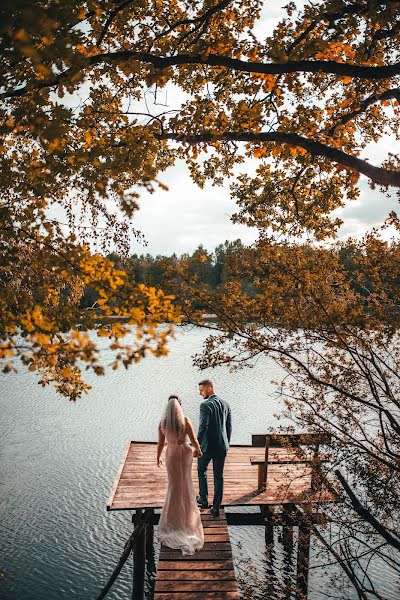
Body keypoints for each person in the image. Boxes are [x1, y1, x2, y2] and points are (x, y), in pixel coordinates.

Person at [157, 395, 204, 555]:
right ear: (179, 407)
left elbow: (160, 443)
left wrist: (157, 456)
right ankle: (188, 522)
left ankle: (174, 522)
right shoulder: (185, 421)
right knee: (186, 485)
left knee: (174, 486)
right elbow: (193, 440)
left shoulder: (162, 424)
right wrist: (198, 450)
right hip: (185, 454)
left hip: (170, 455)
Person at [196, 379, 232, 517]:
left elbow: (203, 427)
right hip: (222, 447)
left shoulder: (205, 405)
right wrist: (226, 443)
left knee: (201, 470)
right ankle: (216, 507)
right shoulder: (226, 404)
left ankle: (203, 499)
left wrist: (197, 445)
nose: (200, 393)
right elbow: (229, 426)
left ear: (209, 389)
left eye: (201, 390)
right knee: (219, 476)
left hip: (207, 447)